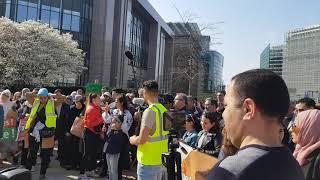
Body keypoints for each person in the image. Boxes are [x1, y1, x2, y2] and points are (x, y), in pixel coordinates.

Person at [206, 69, 304, 180]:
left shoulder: (228, 172)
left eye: (226, 105)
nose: (223, 113)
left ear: (248, 109)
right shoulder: (294, 166)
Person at [130, 80, 168, 180]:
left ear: (145, 92)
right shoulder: (164, 110)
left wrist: (132, 139)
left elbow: (142, 140)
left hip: (148, 162)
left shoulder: (150, 111)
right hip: (161, 161)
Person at [24, 88, 57, 180]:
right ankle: (27, 171)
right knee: (32, 153)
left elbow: (61, 97)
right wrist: (37, 95)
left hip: (47, 133)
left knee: (45, 155)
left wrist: (51, 96)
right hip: (34, 132)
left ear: (47, 97)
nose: (42, 99)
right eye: (41, 97)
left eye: (44, 98)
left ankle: (42, 174)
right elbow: (27, 94)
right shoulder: (35, 102)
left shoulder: (52, 103)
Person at [79, 93, 104, 180]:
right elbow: (90, 124)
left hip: (93, 133)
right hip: (89, 133)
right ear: (94, 100)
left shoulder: (95, 108)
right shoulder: (91, 109)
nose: (100, 100)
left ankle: (90, 170)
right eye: (99, 99)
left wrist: (100, 131)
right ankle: (82, 173)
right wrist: (102, 119)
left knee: (93, 153)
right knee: (86, 153)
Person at [292, 109, 320, 180]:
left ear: (308, 129)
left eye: (295, 127)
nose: (291, 130)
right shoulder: (299, 151)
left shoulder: (317, 158)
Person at [104, 114, 129, 180]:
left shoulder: (122, 134)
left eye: (114, 122)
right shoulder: (111, 131)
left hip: (115, 153)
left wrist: (113, 131)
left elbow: (116, 141)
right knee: (109, 170)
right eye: (112, 122)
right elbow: (106, 139)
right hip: (108, 151)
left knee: (113, 171)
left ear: (120, 123)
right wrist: (105, 132)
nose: (113, 124)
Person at [64, 98, 85, 170]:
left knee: (79, 149)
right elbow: (66, 120)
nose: (77, 105)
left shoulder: (84, 109)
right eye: (76, 103)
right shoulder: (71, 109)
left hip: (80, 133)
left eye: (79, 103)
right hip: (71, 132)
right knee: (71, 148)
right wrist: (67, 131)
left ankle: (79, 164)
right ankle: (71, 164)